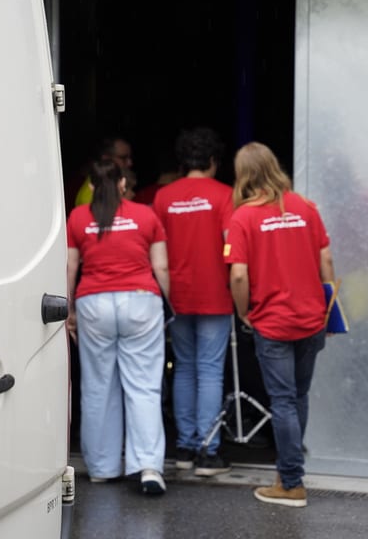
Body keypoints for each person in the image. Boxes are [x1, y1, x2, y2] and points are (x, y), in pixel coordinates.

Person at [223, 142, 336, 508]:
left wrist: (243, 311)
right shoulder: (305, 207)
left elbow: (238, 275)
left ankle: (290, 483)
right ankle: (287, 472)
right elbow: (327, 262)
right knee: (298, 397)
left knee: (284, 400)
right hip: (311, 320)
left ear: (243, 175)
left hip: (272, 322)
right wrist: (328, 309)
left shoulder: (242, 218)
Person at [65, 159, 170, 495]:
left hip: (93, 304)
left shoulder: (78, 217)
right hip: (140, 301)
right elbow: (162, 266)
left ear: (92, 186)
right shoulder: (145, 215)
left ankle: (101, 468)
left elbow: (70, 266)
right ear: (124, 184)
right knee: (143, 387)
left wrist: (67, 309)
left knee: (98, 387)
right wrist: (172, 304)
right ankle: (148, 467)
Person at [153, 128, 234, 476]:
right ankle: (208, 450)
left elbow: (155, 249)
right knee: (210, 370)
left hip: (176, 295)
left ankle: (184, 447)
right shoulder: (225, 195)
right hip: (216, 293)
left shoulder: (163, 197)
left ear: (183, 162)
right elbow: (234, 246)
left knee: (184, 368)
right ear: (213, 161)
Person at [73, 136, 133, 207]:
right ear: (106, 159)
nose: (130, 163)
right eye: (123, 158)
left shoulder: (116, 186)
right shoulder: (90, 197)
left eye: (129, 157)